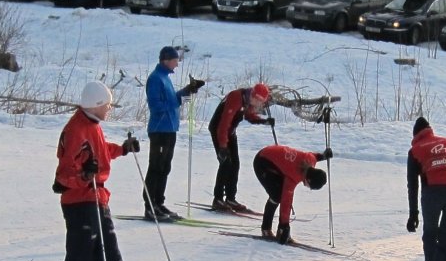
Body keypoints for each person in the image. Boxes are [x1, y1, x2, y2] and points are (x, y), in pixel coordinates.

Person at [53, 81, 157, 261]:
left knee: (110, 256)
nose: (109, 108)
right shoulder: (76, 129)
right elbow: (62, 177)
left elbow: (100, 152)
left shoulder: (92, 125)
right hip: (80, 202)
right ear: (97, 105)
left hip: (98, 199)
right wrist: (84, 175)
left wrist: (122, 149)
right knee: (81, 257)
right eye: (107, 105)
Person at [142, 45, 205, 221]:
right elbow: (156, 106)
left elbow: (172, 100)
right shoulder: (156, 79)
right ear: (166, 60)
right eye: (176, 60)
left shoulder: (165, 78)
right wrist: (176, 102)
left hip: (170, 129)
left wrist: (187, 91)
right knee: (156, 167)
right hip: (159, 130)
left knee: (165, 167)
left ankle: (159, 202)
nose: (177, 64)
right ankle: (150, 205)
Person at [405, 116, 446, 261]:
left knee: (430, 235)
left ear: (415, 135)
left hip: (432, 192)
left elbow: (412, 184)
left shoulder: (415, 150)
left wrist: (413, 213)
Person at [208, 82, 273, 211]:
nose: (259, 104)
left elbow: (247, 114)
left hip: (230, 132)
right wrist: (222, 147)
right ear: (254, 95)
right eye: (259, 100)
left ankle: (231, 198)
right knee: (226, 163)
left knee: (235, 164)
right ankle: (218, 199)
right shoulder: (236, 97)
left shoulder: (247, 98)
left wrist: (262, 121)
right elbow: (224, 123)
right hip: (219, 130)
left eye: (262, 101)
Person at [253, 144, 333, 243]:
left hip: (271, 155)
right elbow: (286, 202)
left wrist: (324, 156)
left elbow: (315, 156)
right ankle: (266, 229)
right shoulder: (294, 175)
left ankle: (278, 231)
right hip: (262, 162)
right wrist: (285, 226)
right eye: (310, 187)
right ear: (309, 179)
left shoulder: (310, 161)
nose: (308, 188)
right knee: (276, 196)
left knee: (278, 193)